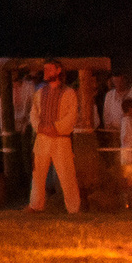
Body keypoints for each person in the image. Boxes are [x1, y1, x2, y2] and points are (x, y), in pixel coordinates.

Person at [28, 60, 83, 213]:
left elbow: (71, 116)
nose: (45, 72)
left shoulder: (68, 92)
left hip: (61, 140)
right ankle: (35, 205)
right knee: (38, 173)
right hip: (42, 139)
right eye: (44, 69)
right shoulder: (39, 93)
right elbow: (33, 113)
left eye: (49, 69)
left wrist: (55, 128)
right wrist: (40, 127)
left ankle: (73, 209)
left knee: (66, 174)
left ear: (58, 70)